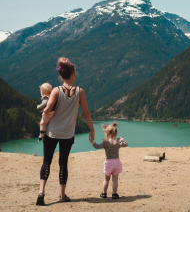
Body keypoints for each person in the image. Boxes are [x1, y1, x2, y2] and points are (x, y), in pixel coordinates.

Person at [37, 57, 95, 206]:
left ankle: (41, 192)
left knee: (47, 161)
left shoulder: (56, 90)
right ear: (73, 74)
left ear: (61, 75)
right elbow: (86, 113)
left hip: (51, 133)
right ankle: (62, 195)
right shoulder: (80, 92)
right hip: (67, 134)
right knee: (63, 163)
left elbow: (48, 108)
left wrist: (44, 115)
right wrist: (92, 129)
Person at [92, 122, 128, 199]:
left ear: (106, 134)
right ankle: (114, 194)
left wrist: (92, 141)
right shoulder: (118, 143)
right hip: (117, 163)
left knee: (106, 179)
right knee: (115, 180)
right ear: (116, 134)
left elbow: (97, 146)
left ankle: (104, 194)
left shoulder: (105, 143)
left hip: (108, 163)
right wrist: (122, 139)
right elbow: (126, 144)